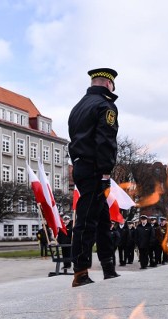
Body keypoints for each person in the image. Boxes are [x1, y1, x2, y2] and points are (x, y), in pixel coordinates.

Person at [68, 67, 120, 287]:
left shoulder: (78, 107)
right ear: (108, 84)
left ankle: (108, 268)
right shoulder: (105, 106)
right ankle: (80, 272)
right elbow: (105, 140)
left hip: (81, 166)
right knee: (88, 220)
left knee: (102, 219)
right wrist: (106, 171)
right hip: (94, 169)